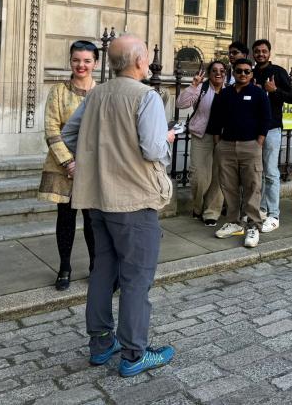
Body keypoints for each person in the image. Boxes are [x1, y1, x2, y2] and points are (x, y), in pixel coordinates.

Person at [61, 34, 174, 377]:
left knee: (102, 272)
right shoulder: (146, 96)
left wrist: (100, 154)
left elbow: (69, 135)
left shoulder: (95, 94)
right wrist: (167, 138)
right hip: (134, 200)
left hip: (99, 199)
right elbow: (153, 150)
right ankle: (134, 352)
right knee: (136, 278)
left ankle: (100, 344)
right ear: (140, 61)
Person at [38, 40, 98, 291]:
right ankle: (64, 267)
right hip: (63, 166)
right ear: (70, 61)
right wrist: (69, 162)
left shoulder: (102, 93)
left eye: (86, 60)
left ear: (95, 62)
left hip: (92, 167)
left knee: (93, 221)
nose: (80, 65)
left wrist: (85, 163)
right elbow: (52, 129)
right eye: (76, 60)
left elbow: (105, 133)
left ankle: (97, 268)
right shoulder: (58, 92)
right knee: (65, 219)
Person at [210, 57, 272, 247]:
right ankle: (234, 222)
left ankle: (253, 225)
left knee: (253, 185)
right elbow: (215, 119)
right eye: (239, 71)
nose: (243, 74)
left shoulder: (258, 94)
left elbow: (266, 119)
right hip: (226, 146)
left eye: (246, 71)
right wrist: (218, 143)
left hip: (250, 146)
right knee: (228, 186)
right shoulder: (224, 94)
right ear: (233, 73)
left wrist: (259, 141)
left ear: (251, 74)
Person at [252, 39, 292, 234]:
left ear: (269, 53)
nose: (260, 54)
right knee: (256, 171)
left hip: (271, 128)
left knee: (270, 171)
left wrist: (274, 90)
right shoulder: (250, 73)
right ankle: (260, 208)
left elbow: (291, 97)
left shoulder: (278, 72)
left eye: (263, 51)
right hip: (252, 129)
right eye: (257, 51)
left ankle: (274, 214)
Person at [175, 60, 225, 227]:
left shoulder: (230, 91)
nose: (218, 73)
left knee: (218, 176)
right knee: (199, 177)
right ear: (209, 74)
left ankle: (212, 212)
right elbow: (180, 104)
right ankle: (198, 207)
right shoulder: (202, 89)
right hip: (202, 136)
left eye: (222, 70)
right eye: (214, 70)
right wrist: (193, 86)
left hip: (224, 139)